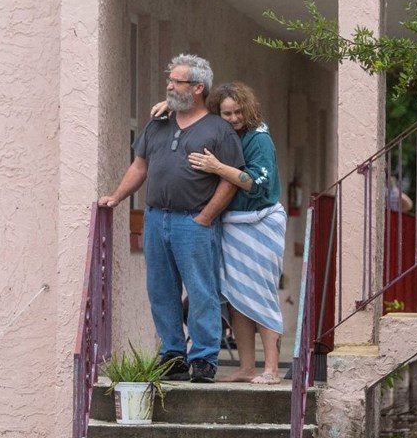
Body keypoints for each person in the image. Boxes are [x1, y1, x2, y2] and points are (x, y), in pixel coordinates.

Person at [98, 55, 244, 383]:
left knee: (201, 289)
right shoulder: (159, 123)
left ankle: (204, 357)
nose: (168, 86)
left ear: (197, 88)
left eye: (176, 81)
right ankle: (173, 353)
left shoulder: (219, 130)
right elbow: (140, 166)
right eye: (170, 80)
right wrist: (117, 197)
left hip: (194, 222)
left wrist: (206, 217)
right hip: (155, 218)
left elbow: (231, 179)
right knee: (160, 289)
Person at [155, 82, 286, 384]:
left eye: (238, 111)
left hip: (260, 223)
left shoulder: (258, 138)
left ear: (248, 109)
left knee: (261, 293)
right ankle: (246, 367)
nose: (233, 118)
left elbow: (257, 183)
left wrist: (217, 167)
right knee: (237, 296)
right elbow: (192, 108)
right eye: (226, 113)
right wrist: (170, 107)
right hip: (231, 224)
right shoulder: (222, 133)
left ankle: (270, 369)